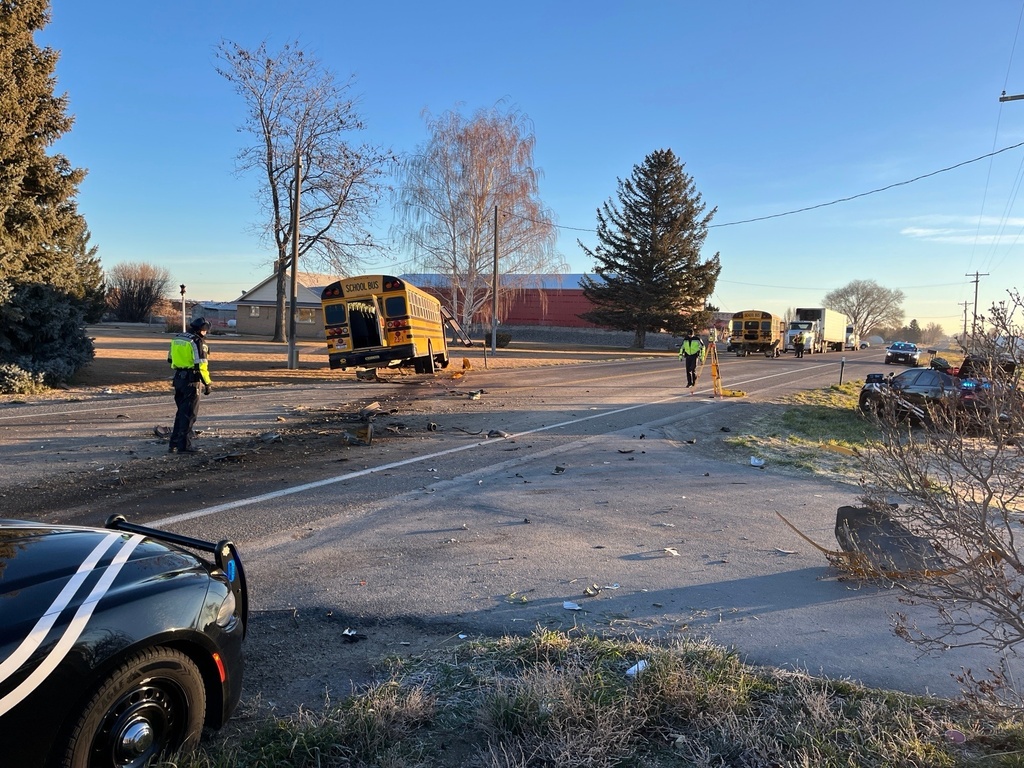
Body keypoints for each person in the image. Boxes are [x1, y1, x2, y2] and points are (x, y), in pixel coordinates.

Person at [167, 317, 212, 454]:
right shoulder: (197, 341)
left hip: (178, 378)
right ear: (202, 330)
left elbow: (170, 359)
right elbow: (201, 364)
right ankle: (184, 446)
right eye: (206, 331)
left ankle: (174, 443)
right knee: (189, 414)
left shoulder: (177, 338)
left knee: (181, 413)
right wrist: (207, 383)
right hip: (191, 380)